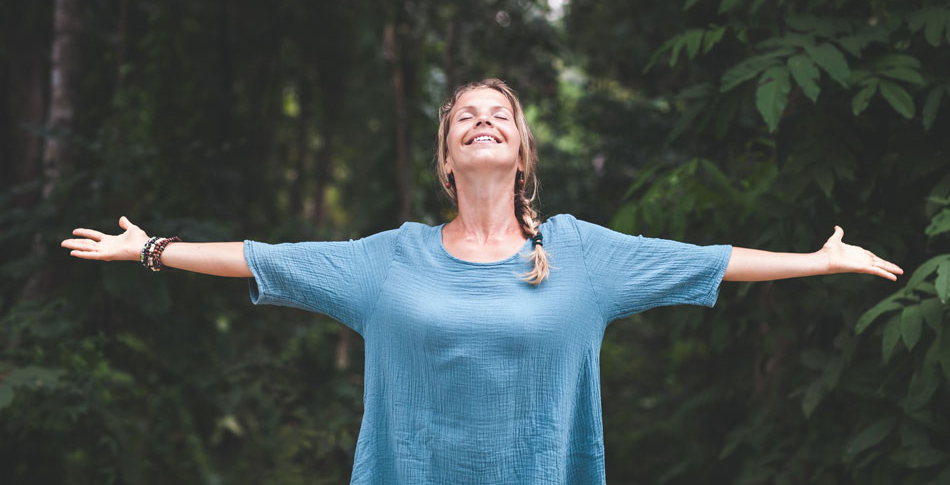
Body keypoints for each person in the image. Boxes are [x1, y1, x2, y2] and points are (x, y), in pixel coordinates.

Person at [61, 78, 903, 484]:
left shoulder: (583, 253)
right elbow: (264, 256)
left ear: (523, 151)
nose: (483, 119)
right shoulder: (389, 259)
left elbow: (706, 261)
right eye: (466, 114)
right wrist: (151, 249)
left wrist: (817, 259)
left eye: (499, 112)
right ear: (447, 155)